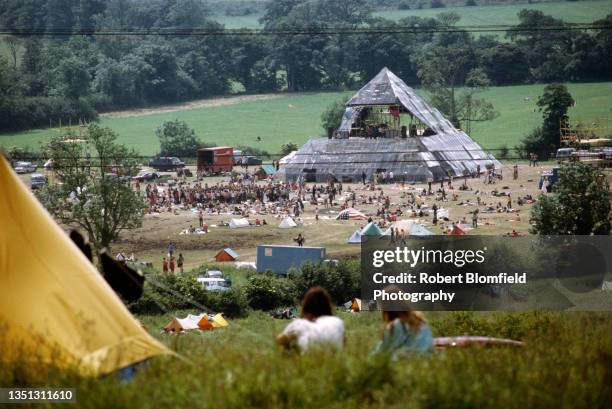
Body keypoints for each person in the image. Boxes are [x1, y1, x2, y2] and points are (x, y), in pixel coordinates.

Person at [277, 287, 345, 352]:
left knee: (288, 346)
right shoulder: (338, 322)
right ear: (328, 306)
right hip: (334, 360)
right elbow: (344, 342)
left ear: (306, 306)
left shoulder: (300, 324)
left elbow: (279, 342)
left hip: (307, 360)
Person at [372, 289, 433, 356]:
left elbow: (385, 349)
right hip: (427, 362)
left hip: (409, 363)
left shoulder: (397, 325)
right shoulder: (421, 322)